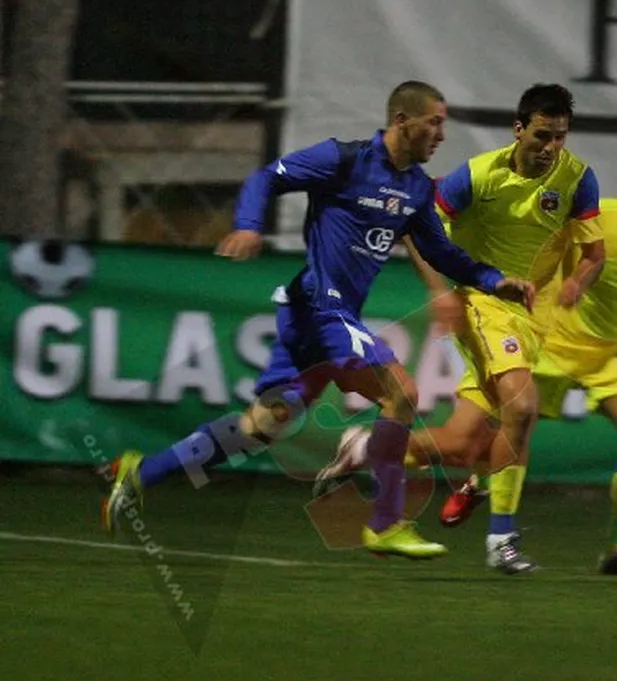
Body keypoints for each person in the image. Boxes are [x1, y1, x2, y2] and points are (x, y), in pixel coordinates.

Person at [99, 80, 534, 560]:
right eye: (434, 123)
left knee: (261, 426)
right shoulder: (343, 159)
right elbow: (267, 176)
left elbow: (443, 253)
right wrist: (249, 225)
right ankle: (386, 523)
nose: (441, 135)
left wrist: (494, 281)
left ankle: (142, 471)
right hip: (322, 308)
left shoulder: (415, 189)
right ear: (402, 121)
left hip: (315, 316)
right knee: (402, 392)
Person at [316, 158, 617, 572]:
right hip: (546, 340)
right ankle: (375, 451)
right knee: (462, 443)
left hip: (612, 357)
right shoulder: (594, 216)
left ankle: (615, 547)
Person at [318, 84, 604, 574]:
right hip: (485, 303)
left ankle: (365, 447)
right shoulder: (478, 175)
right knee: (522, 406)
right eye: (542, 135)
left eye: (560, 137)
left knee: (464, 442)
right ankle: (502, 540)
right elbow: (414, 227)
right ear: (519, 130)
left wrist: (578, 281)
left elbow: (595, 255)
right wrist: (441, 292)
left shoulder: (577, 178)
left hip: (535, 318)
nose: (551, 147)